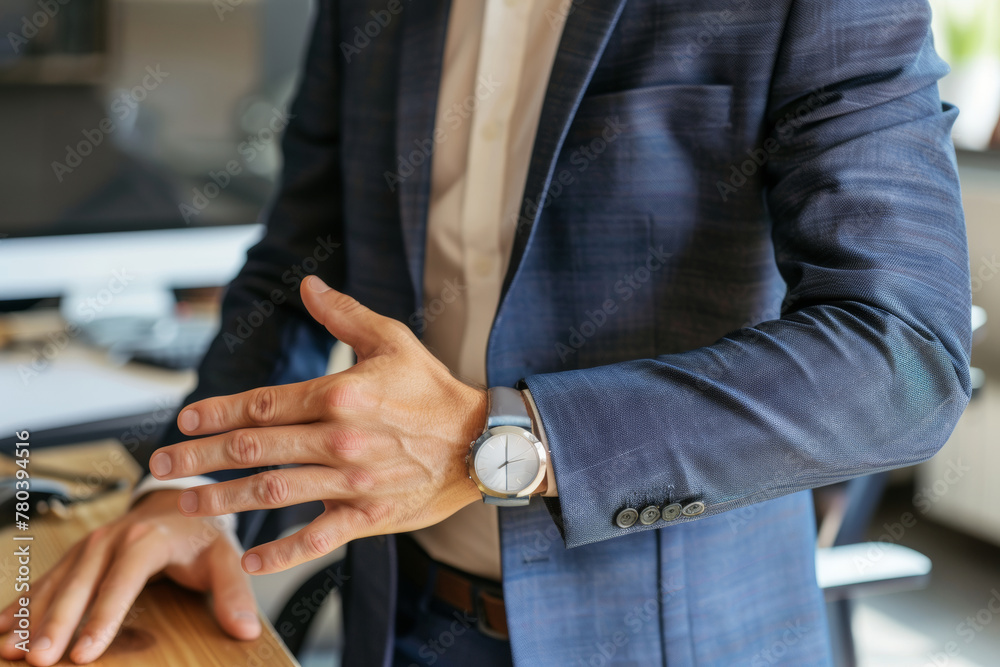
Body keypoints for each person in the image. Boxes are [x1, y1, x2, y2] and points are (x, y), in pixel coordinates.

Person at [0, 0, 972, 665]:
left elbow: (902, 358)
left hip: (672, 634)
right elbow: (293, 265)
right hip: (400, 620)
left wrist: (495, 442)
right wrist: (200, 492)